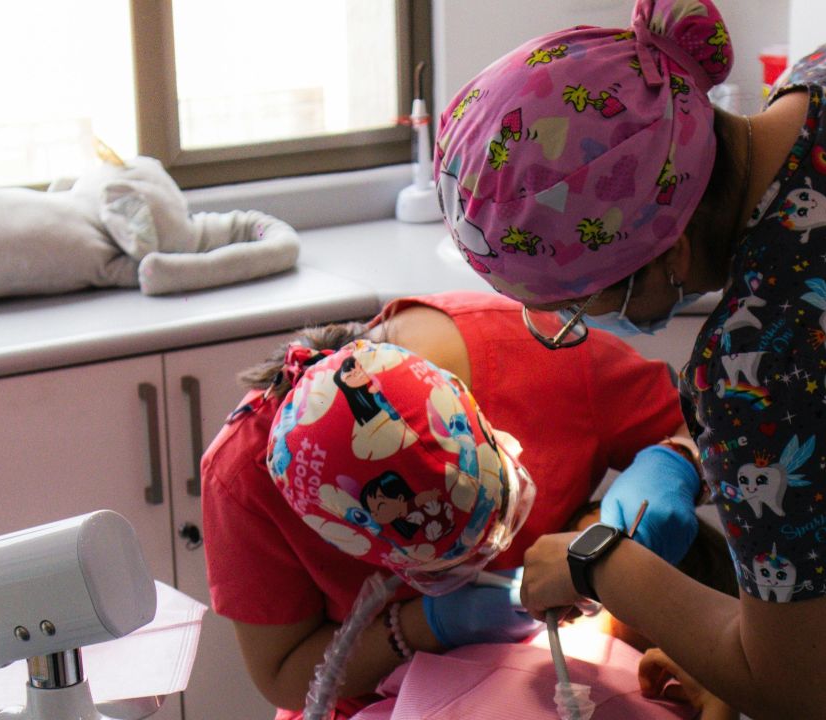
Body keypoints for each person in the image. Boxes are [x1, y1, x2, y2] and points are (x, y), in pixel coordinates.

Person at [432, 1, 826, 718]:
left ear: (671, 253)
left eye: (580, 305)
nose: (578, 322)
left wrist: (601, 564)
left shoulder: (766, 360)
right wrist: (690, 458)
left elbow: (806, 693)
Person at [200, 291, 709, 718]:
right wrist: (427, 624)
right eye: (448, 565)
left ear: (485, 426)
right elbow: (285, 673)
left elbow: (714, 426)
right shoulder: (243, 477)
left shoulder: (544, 352)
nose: (488, 559)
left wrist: (675, 464)